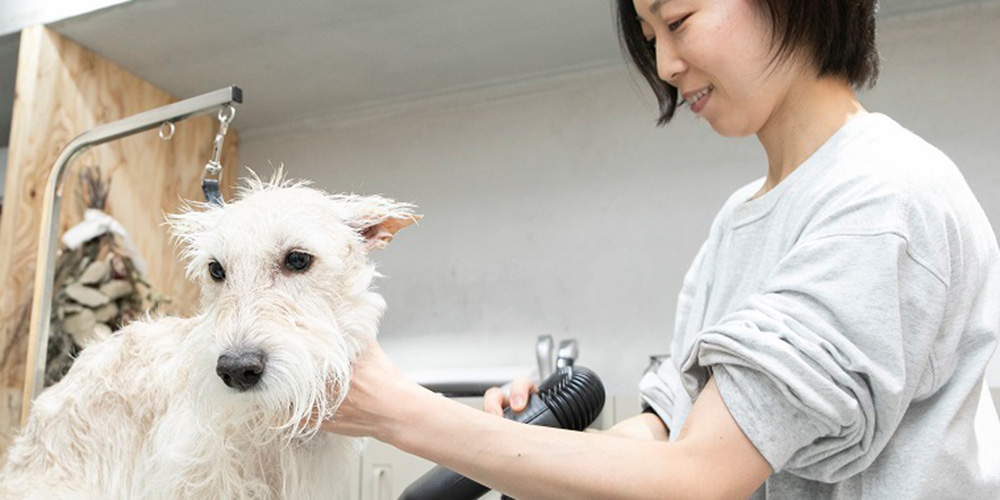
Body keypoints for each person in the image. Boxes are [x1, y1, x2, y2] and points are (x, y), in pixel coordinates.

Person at [323, 0, 1000, 498]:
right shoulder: (740, 219)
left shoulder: (885, 195)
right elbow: (667, 434)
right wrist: (523, 446)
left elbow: (702, 476)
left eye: (677, 20)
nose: (666, 64)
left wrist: (400, 412)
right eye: (649, 36)